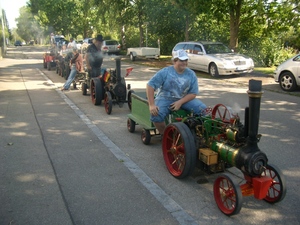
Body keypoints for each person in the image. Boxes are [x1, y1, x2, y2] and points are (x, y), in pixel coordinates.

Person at [146, 49, 207, 135]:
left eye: (185, 60)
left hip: (184, 98)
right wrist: (152, 105)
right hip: (165, 98)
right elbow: (150, 85)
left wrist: (180, 102)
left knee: (204, 111)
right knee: (156, 115)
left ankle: (200, 134)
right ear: (174, 61)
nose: (184, 63)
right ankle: (166, 136)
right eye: (181, 60)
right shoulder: (165, 72)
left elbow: (193, 93)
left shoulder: (191, 74)